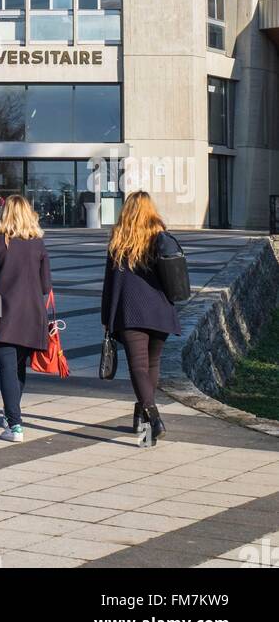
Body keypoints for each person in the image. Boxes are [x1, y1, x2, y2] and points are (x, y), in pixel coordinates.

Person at [101, 190, 182, 445]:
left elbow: (110, 283)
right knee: (151, 366)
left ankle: (153, 417)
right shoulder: (161, 237)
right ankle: (145, 426)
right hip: (159, 312)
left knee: (138, 367)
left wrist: (107, 317)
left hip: (130, 312)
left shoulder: (119, 239)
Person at [0, 194, 52, 442]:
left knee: (7, 369)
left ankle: (14, 424)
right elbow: (45, 286)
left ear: (3, 215)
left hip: (0, 310)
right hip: (33, 314)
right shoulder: (38, 244)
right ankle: (12, 415)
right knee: (19, 367)